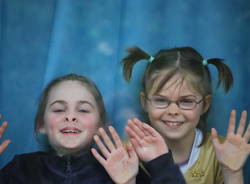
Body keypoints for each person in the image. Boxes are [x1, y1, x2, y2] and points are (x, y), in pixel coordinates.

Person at [0, 73, 186, 184]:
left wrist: (159, 165)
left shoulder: (125, 168)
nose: (70, 116)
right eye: (58, 109)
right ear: (41, 124)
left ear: (100, 126)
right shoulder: (21, 169)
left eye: (83, 110)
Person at [122, 46, 250, 184]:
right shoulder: (125, 154)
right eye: (161, 100)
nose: (173, 111)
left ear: (205, 105)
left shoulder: (222, 151)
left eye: (186, 101)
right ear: (144, 102)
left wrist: (233, 172)